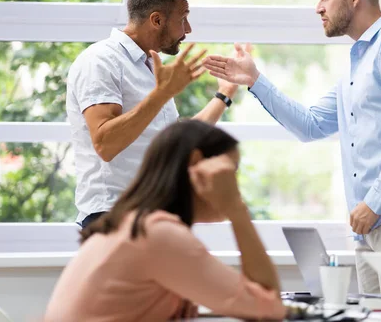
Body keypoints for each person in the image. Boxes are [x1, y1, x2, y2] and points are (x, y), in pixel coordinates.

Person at [203, 0, 381, 294]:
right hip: (370, 225)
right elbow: (310, 125)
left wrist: (374, 201)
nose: (317, 7)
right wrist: (255, 80)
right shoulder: (354, 67)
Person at [44, 120, 286, 322]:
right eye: (231, 171)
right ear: (195, 163)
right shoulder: (158, 235)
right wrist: (236, 209)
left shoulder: (129, 224)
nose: (234, 184)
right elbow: (269, 306)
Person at [66, 0, 237, 228]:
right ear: (156, 20)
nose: (187, 29)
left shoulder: (148, 67)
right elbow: (105, 143)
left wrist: (225, 95)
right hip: (114, 216)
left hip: (152, 214)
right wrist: (162, 94)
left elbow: (178, 140)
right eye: (183, 19)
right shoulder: (101, 60)